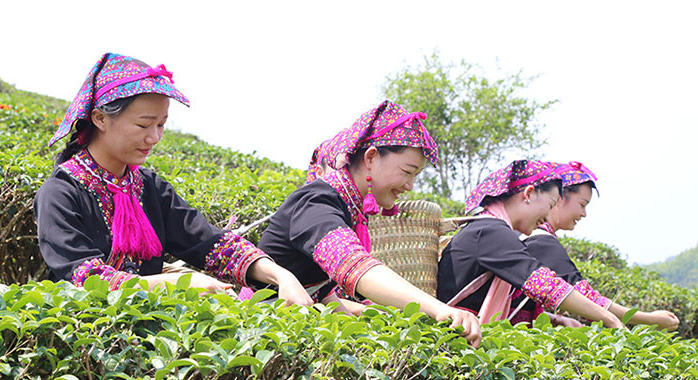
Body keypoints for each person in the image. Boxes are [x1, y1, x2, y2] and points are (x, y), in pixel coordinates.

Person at [34, 53, 313, 306]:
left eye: (161, 125)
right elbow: (86, 279)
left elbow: (211, 244)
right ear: (100, 119)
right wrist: (177, 284)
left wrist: (280, 274)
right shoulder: (61, 193)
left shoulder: (149, 188)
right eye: (144, 125)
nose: (154, 138)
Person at [258, 100, 482, 347]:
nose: (410, 186)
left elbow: (318, 291)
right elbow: (353, 266)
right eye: (407, 172)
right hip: (263, 328)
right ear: (372, 157)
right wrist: (440, 309)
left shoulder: (347, 208)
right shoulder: (316, 201)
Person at [437, 160, 624, 328]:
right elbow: (545, 285)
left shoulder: (490, 227)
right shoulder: (490, 231)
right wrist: (609, 318)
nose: (547, 216)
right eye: (551, 204)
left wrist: (555, 319)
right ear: (529, 194)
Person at [516, 162, 680, 329]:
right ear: (560, 198)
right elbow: (586, 299)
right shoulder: (540, 241)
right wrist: (651, 319)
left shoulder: (532, 238)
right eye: (582, 204)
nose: (583, 214)